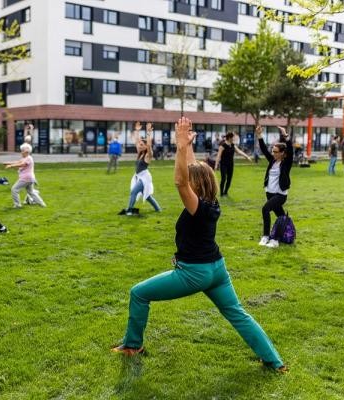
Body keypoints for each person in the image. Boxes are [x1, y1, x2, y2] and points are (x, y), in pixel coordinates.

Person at [112, 116, 286, 374]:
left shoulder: (197, 207)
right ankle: (275, 361)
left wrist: (181, 146)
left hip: (194, 273)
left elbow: (181, 181)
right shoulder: (210, 202)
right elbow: (192, 170)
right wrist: (186, 145)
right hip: (217, 270)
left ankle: (132, 345)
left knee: (139, 293)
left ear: (196, 185)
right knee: (238, 314)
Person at [256, 125, 293, 248]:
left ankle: (267, 237)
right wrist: (259, 135)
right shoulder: (272, 161)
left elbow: (291, 150)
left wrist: (285, 135)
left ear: (282, 153)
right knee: (281, 217)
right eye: (273, 151)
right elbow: (264, 150)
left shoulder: (286, 163)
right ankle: (286, 234)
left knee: (265, 209)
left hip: (280, 194)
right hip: (270, 193)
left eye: (276, 152)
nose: (273, 153)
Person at [123, 122, 161, 215]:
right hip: (138, 177)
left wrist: (148, 133)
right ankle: (158, 209)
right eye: (139, 144)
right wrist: (137, 130)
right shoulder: (139, 153)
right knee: (147, 196)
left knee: (133, 192)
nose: (139, 145)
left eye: (141, 144)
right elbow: (136, 140)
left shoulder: (148, 155)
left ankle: (130, 211)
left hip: (144, 177)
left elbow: (148, 145)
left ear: (145, 147)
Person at [4, 143, 47, 208]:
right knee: (31, 192)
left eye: (22, 151)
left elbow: (23, 164)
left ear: (26, 151)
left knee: (14, 189)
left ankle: (17, 205)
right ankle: (42, 204)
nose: (21, 152)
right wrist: (8, 163)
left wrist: (11, 166)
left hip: (25, 178)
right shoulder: (25, 158)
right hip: (29, 179)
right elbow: (18, 162)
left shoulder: (29, 158)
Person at [214, 131, 252, 196]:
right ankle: (221, 193)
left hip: (231, 164)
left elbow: (239, 151)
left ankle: (225, 192)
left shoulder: (233, 145)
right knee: (223, 178)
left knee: (229, 179)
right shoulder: (223, 145)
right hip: (223, 164)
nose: (233, 139)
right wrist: (216, 165)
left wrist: (247, 157)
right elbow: (218, 156)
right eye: (232, 138)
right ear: (229, 138)